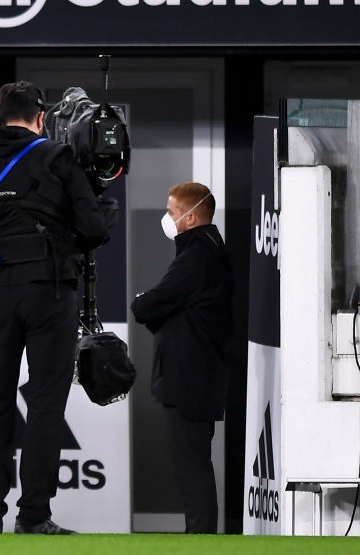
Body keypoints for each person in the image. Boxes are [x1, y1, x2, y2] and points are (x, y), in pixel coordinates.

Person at [0, 81, 110, 536]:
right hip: (51, 296)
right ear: (39, 118)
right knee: (47, 407)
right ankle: (33, 516)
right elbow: (94, 229)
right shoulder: (58, 157)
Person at [130, 182, 233, 534]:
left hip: (189, 379)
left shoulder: (195, 257)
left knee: (192, 467)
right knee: (195, 463)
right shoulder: (208, 249)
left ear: (189, 218)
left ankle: (200, 537)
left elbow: (150, 305)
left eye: (172, 213)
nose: (168, 218)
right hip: (198, 376)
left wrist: (144, 302)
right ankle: (200, 534)